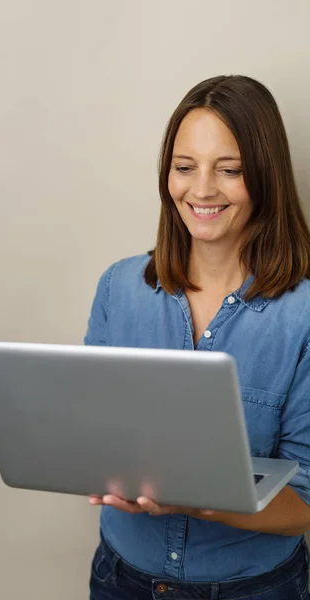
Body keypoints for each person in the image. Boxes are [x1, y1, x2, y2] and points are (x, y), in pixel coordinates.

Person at [84, 75, 310, 600]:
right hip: (120, 579)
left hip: (254, 589)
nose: (201, 189)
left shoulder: (302, 316)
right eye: (185, 168)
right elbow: (92, 434)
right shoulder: (120, 288)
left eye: (228, 171)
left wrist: (189, 498)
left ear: (264, 177)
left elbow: (305, 503)